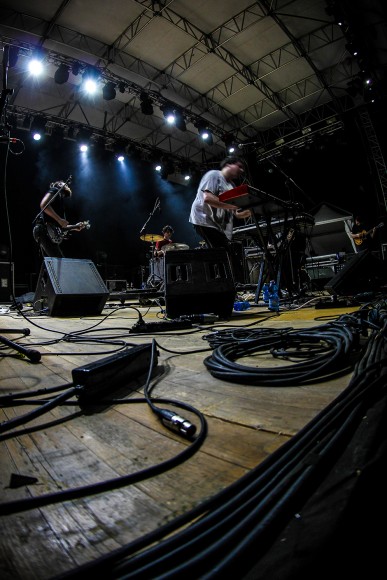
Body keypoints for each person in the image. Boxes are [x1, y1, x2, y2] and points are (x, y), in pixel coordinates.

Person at [189, 155, 251, 281]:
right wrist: (233, 206)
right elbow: (208, 199)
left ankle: (219, 284)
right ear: (228, 165)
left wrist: (250, 211)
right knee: (225, 255)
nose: (241, 170)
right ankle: (226, 285)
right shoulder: (214, 175)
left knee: (222, 255)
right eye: (239, 166)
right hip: (204, 219)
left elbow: (236, 213)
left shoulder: (232, 185)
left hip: (217, 226)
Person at [33, 180, 88, 258]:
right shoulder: (55, 190)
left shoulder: (60, 203)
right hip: (43, 230)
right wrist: (59, 219)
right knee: (59, 261)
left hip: (48, 233)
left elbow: (62, 227)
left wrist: (75, 227)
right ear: (59, 184)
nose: (68, 186)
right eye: (65, 184)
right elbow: (44, 205)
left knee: (52, 263)